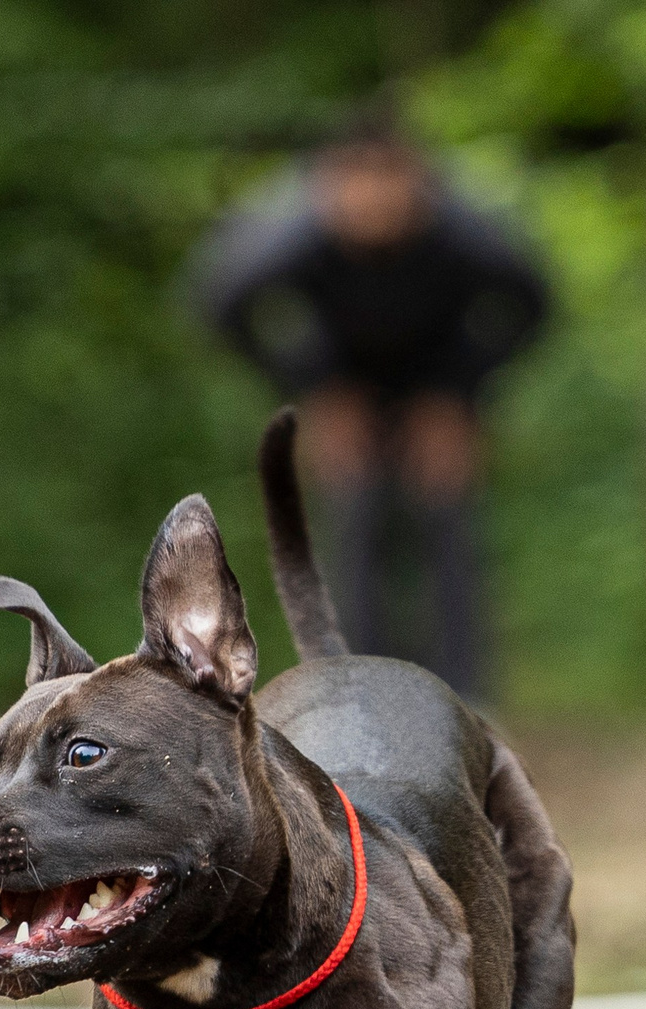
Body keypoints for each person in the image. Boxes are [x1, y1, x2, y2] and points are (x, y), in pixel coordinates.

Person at [193, 115, 550, 701]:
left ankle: (465, 701)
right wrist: (316, 387)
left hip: (438, 380)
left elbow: (533, 301)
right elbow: (220, 304)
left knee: (446, 522)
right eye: (356, 179)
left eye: (390, 178)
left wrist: (458, 392)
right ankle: (356, 694)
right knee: (353, 522)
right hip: (344, 384)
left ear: (421, 180)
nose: (374, 199)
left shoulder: (462, 231)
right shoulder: (292, 234)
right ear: (325, 184)